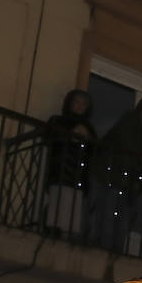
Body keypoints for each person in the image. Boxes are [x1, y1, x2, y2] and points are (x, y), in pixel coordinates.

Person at [90, 97, 142, 251]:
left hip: (129, 184)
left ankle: (115, 250)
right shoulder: (129, 121)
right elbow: (130, 146)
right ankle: (105, 248)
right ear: (140, 111)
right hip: (114, 177)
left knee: (122, 219)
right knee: (109, 214)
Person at [43, 88, 96, 238]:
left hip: (79, 177)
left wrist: (87, 137)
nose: (80, 106)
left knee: (72, 218)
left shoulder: (89, 128)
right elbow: (49, 138)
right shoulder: (57, 121)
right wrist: (70, 134)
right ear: (69, 103)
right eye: (77, 102)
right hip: (60, 172)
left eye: (84, 104)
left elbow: (95, 151)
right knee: (57, 213)